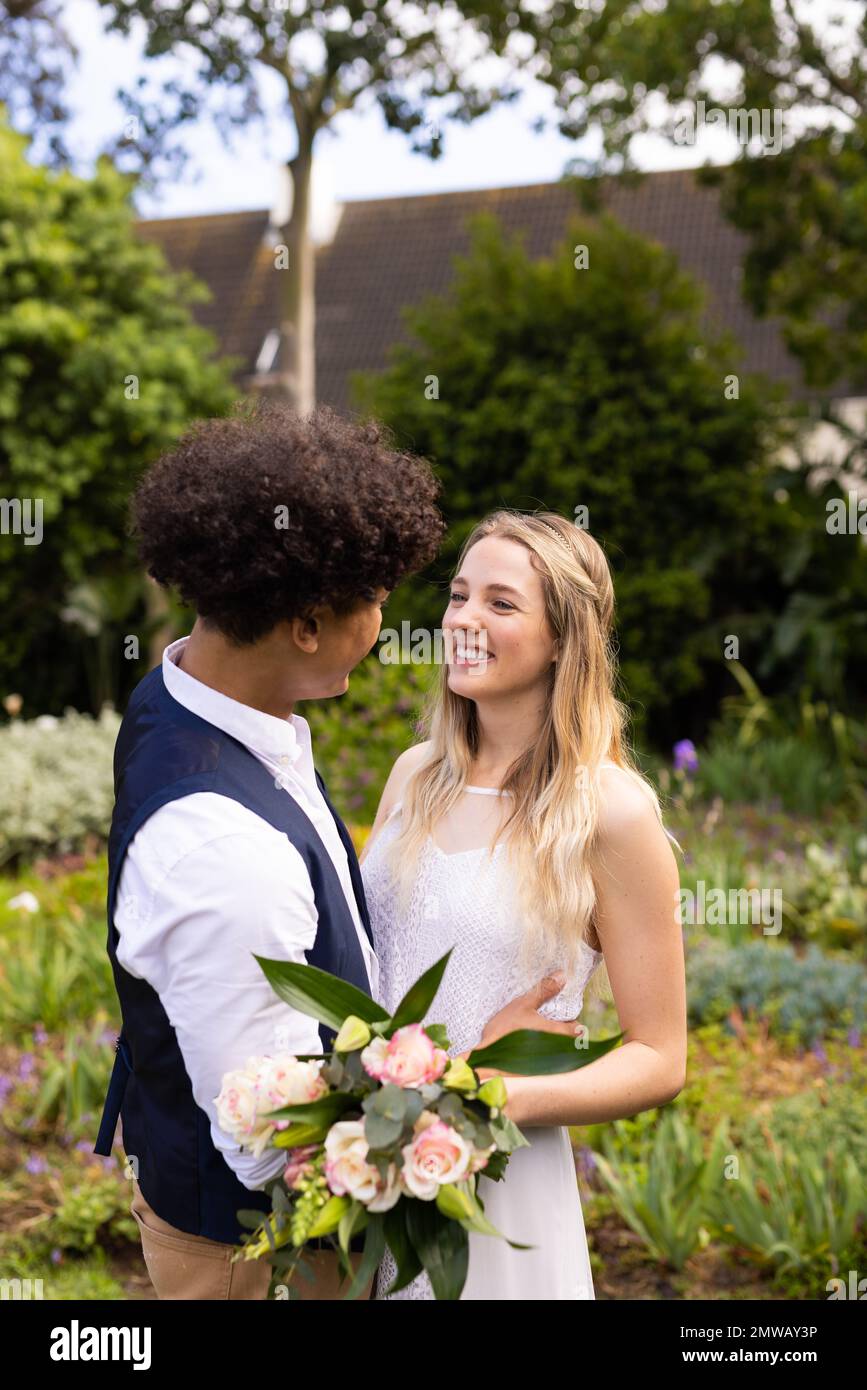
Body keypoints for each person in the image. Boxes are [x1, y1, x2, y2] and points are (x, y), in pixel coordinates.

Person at [92, 399, 445, 1299]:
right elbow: (271, 1141)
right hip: (258, 1257)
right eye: (374, 596)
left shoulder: (196, 692)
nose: (387, 615)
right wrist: (465, 1098)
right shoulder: (221, 847)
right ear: (307, 626)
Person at [360, 509, 687, 1300]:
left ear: (562, 640)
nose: (465, 619)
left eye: (501, 604)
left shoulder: (609, 811)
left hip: (497, 1187)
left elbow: (659, 1058)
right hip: (368, 1165)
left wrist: (483, 1092)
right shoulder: (413, 774)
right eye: (459, 595)